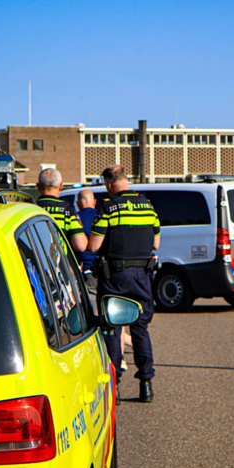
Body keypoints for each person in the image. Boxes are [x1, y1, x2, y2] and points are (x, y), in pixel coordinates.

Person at [88, 165, 160, 403]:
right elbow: (156, 244)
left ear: (109, 183)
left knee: (112, 328)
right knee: (140, 330)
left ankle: (114, 387)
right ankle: (146, 384)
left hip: (115, 278)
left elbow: (93, 246)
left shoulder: (108, 207)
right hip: (142, 277)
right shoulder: (148, 206)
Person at [36, 168, 87, 253]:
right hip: (59, 263)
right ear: (61, 186)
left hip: (34, 263)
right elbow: (81, 245)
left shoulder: (31, 208)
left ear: (38, 186)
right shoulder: (67, 210)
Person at [76, 189, 97, 274]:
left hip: (79, 267)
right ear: (94, 202)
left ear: (77, 204)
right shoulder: (101, 216)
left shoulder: (74, 218)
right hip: (98, 266)